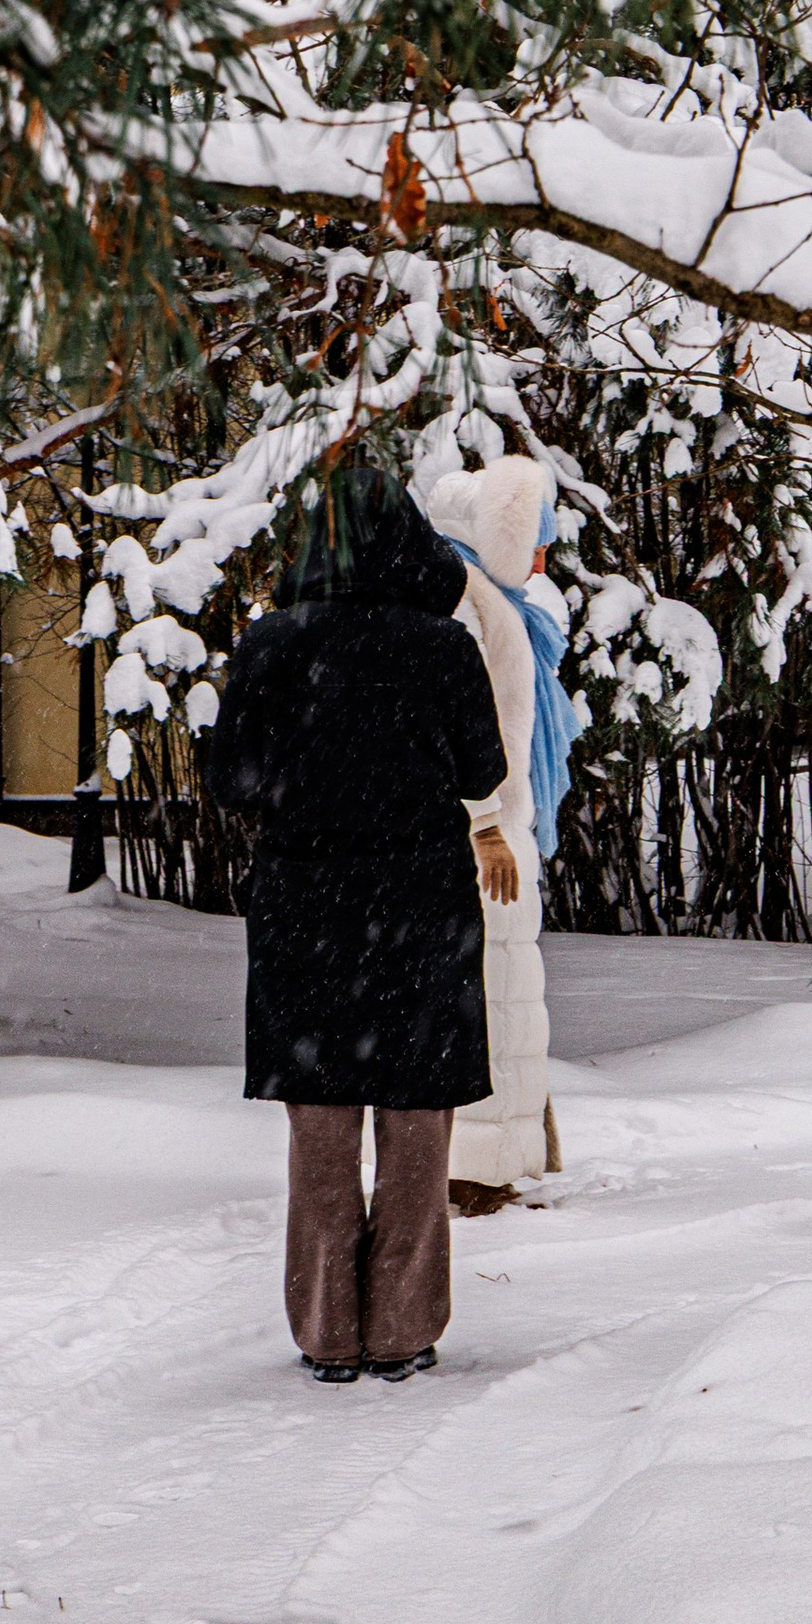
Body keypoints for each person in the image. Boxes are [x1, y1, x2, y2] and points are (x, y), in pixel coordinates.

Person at [201, 467, 507, 1382]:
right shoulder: (442, 647)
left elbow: (232, 783)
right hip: (420, 907)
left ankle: (330, 1332)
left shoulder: (270, 645)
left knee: (322, 1127)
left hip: (307, 911)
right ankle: (404, 1331)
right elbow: (478, 768)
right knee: (416, 1124)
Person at [422, 457, 575, 1211]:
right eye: (535, 541)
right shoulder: (465, 603)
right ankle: (475, 1165)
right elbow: (467, 727)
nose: (543, 558)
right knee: (489, 995)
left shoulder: (491, 599)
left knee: (506, 995)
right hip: (481, 832)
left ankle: (497, 1153)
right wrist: (484, 823)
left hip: (497, 826)